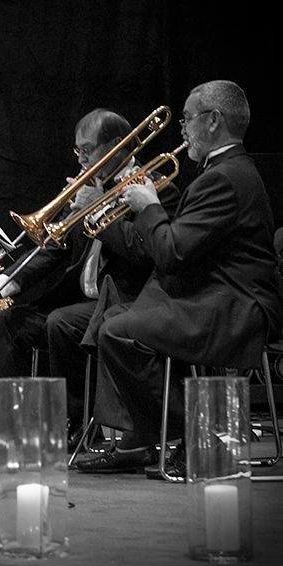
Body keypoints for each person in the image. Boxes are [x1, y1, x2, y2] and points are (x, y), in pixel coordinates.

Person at [76, 80, 283, 475]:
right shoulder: (225, 170)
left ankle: (203, 432)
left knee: (117, 330)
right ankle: (150, 436)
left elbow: (172, 251)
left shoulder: (224, 177)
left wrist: (148, 205)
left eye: (188, 119)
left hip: (235, 305)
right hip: (212, 293)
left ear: (213, 121)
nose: (183, 128)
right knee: (111, 319)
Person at [0, 108, 181, 444]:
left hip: (127, 303)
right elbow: (52, 250)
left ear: (118, 147)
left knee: (60, 323)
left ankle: (78, 424)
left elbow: (141, 252)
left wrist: (96, 211)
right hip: (82, 301)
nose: (81, 159)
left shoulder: (156, 189)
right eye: (78, 150)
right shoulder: (89, 188)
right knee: (10, 322)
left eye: (88, 150)